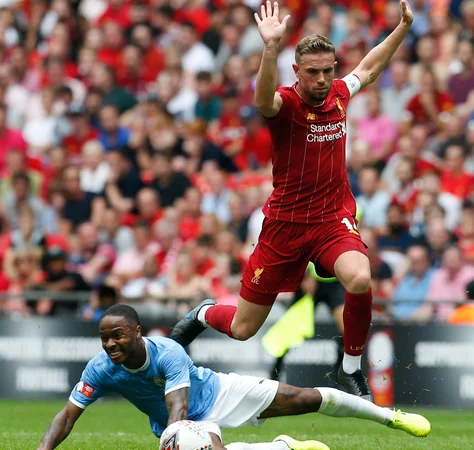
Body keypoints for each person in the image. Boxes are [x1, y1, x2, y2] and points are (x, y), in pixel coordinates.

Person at [170, 0, 416, 402]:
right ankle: (202, 312)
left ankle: (350, 368)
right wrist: (270, 47)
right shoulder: (285, 104)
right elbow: (262, 100)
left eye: (328, 70)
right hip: (284, 226)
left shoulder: (339, 94)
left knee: (359, 277)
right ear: (297, 72)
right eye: (313, 72)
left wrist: (402, 27)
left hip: (331, 219)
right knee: (243, 328)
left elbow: (368, 68)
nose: (322, 79)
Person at [37, 305, 430, 450]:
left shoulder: (167, 352)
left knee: (307, 398)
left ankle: (389, 416)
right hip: (181, 423)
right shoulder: (100, 367)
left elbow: (180, 407)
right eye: (104, 338)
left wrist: (173, 440)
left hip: (217, 393)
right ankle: (283, 448)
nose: (109, 344)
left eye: (117, 335)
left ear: (137, 332)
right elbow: (67, 415)